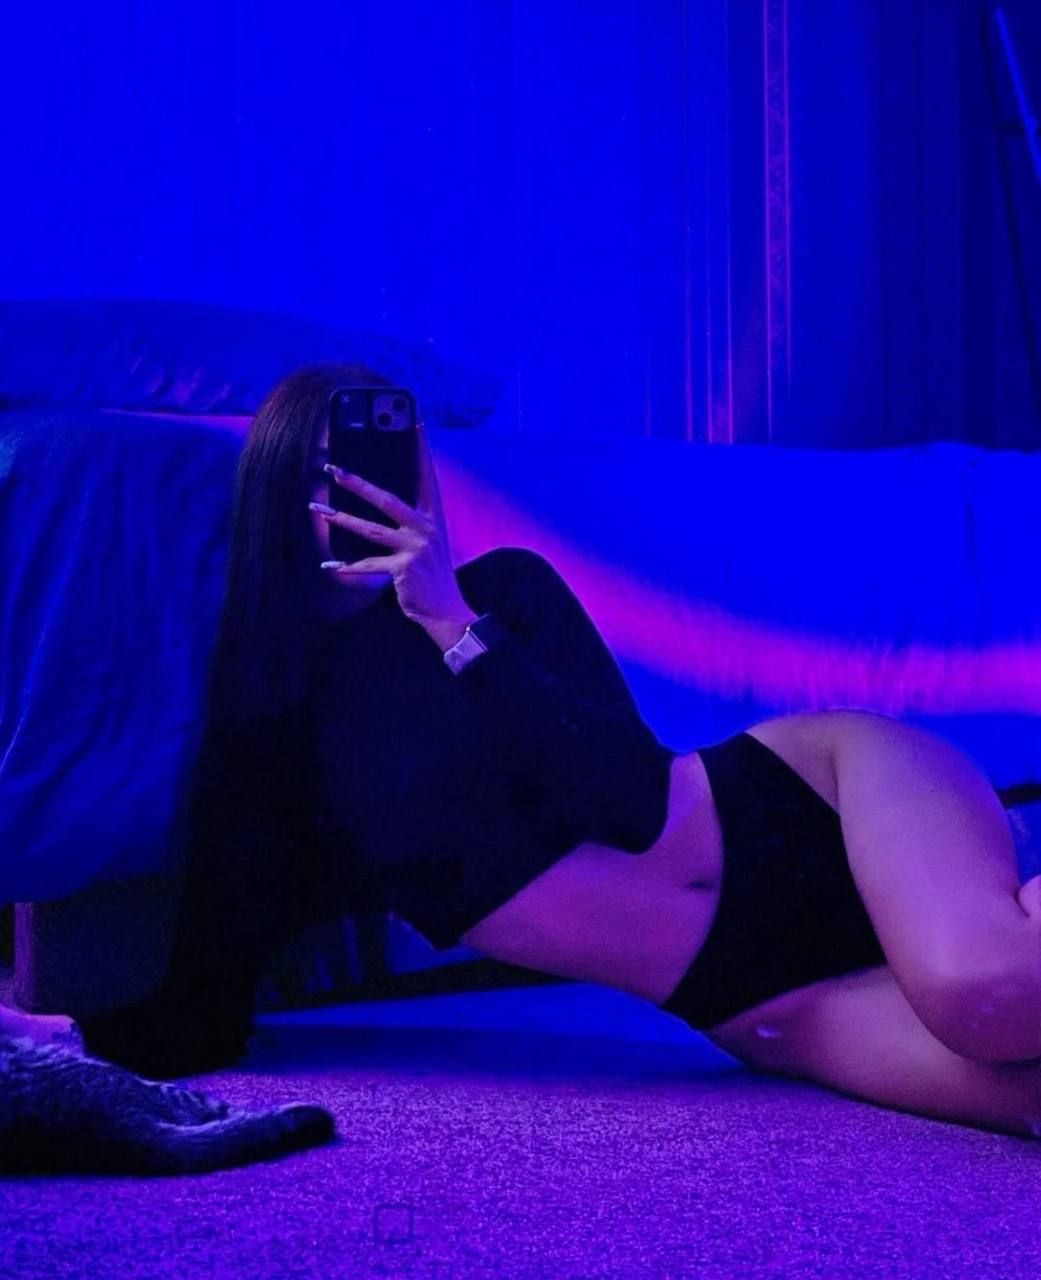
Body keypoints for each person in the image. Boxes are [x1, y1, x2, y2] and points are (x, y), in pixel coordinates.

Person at [80, 362, 1041, 1143]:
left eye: (393, 466)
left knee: (983, 990)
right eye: (336, 472)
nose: (368, 494)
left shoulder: (504, 597)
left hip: (815, 794)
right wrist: (70, 1039)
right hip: (762, 994)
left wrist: (450, 624)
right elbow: (214, 961)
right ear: (282, 495)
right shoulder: (276, 732)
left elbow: (629, 802)